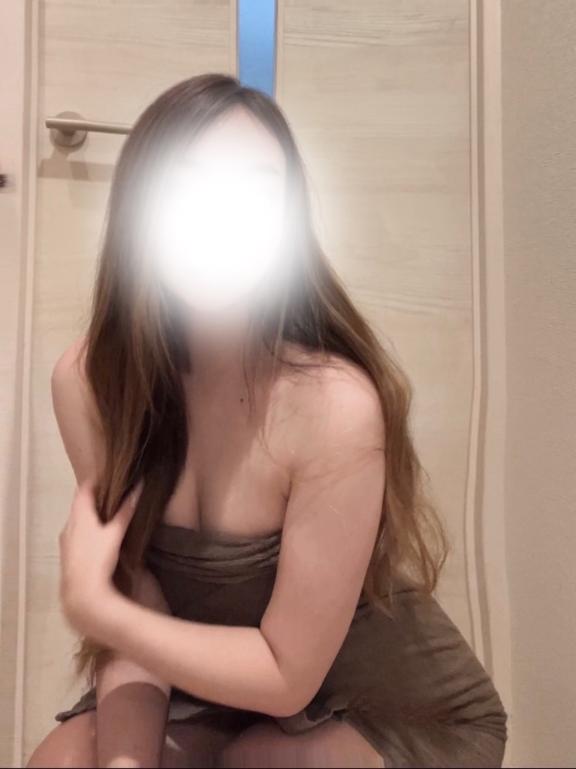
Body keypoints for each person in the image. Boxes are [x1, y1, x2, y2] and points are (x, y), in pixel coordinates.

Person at [27, 73, 507, 768]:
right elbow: (139, 592)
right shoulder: (90, 383)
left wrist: (97, 609)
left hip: (388, 707)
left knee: (254, 762)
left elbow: (284, 675)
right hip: (221, 690)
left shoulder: (334, 404)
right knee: (66, 760)